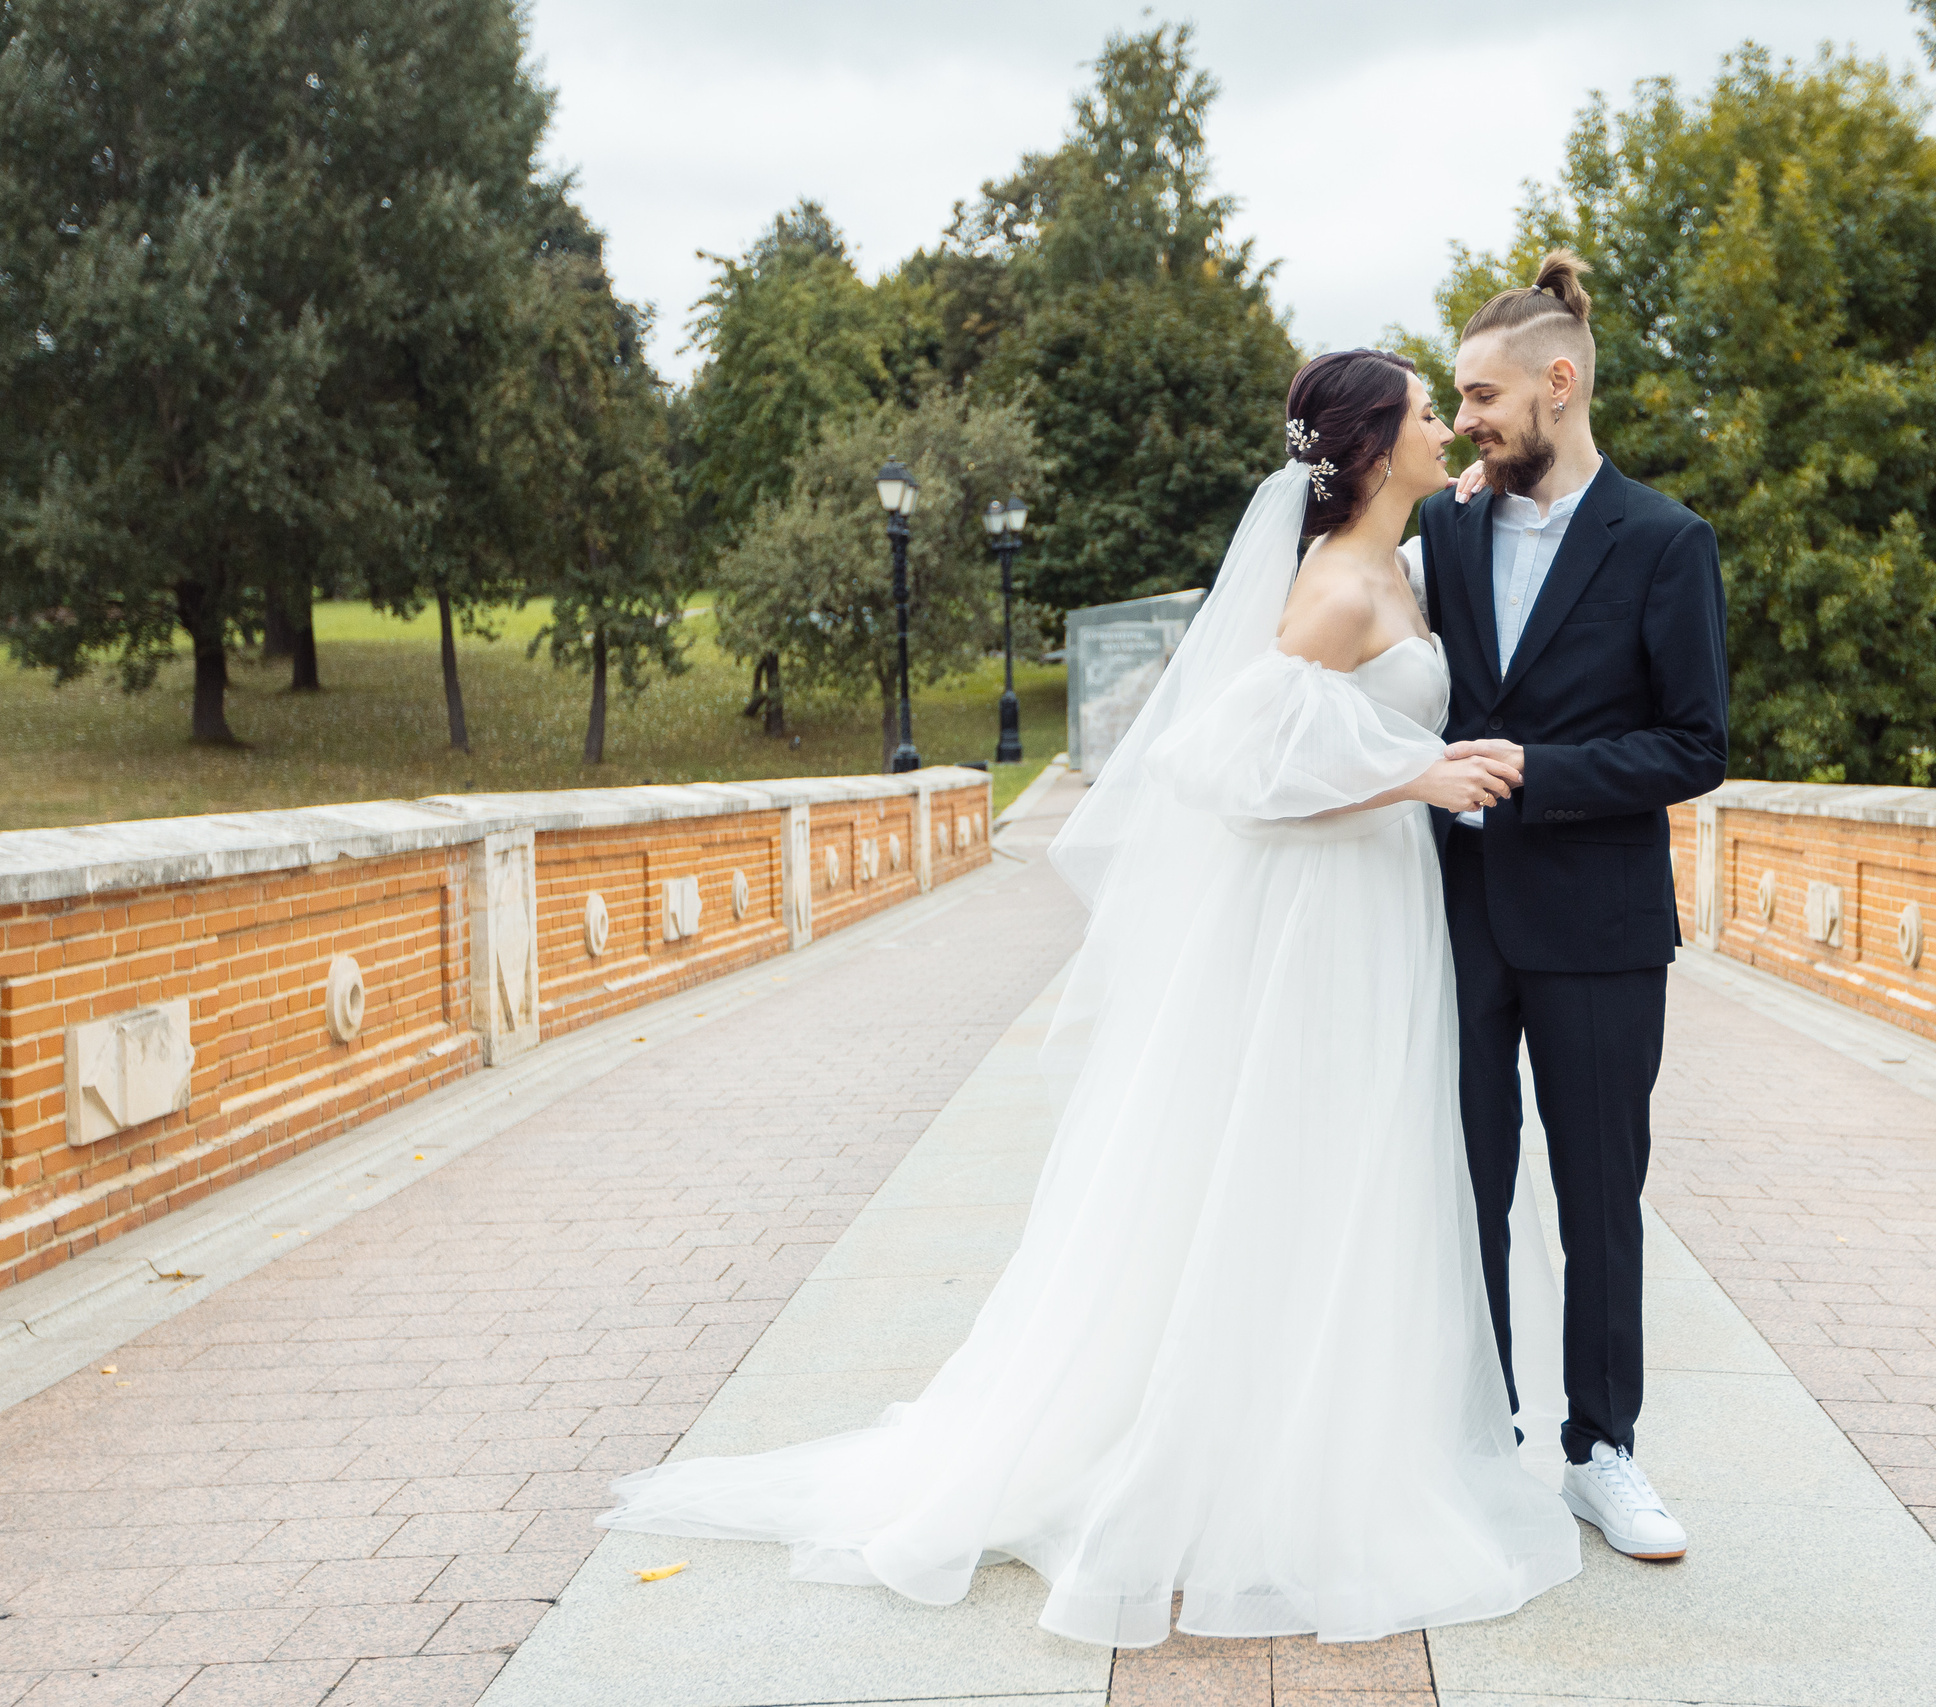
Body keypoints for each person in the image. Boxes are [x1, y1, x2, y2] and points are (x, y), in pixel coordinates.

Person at [596, 349, 1583, 1648]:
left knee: (1359, 1167)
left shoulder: (1398, 564)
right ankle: (1234, 1460)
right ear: (1366, 448)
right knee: (1293, 1163)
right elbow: (1225, 754)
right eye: (1420, 416)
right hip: (1323, 912)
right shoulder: (1338, 587)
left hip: (1376, 901)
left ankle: (1328, 1422)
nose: (1440, 432)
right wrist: (1416, 781)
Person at [1403, 249, 1729, 1562]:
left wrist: (1541, 774)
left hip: (1601, 929)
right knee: (1461, 1190)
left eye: (1483, 397)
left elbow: (1694, 746)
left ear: (1560, 381)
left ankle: (1604, 1454)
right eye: (1460, 402)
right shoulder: (1442, 530)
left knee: (1600, 1199)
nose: (1468, 420)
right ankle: (1483, 1447)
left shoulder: (1665, 543)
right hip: (1458, 917)